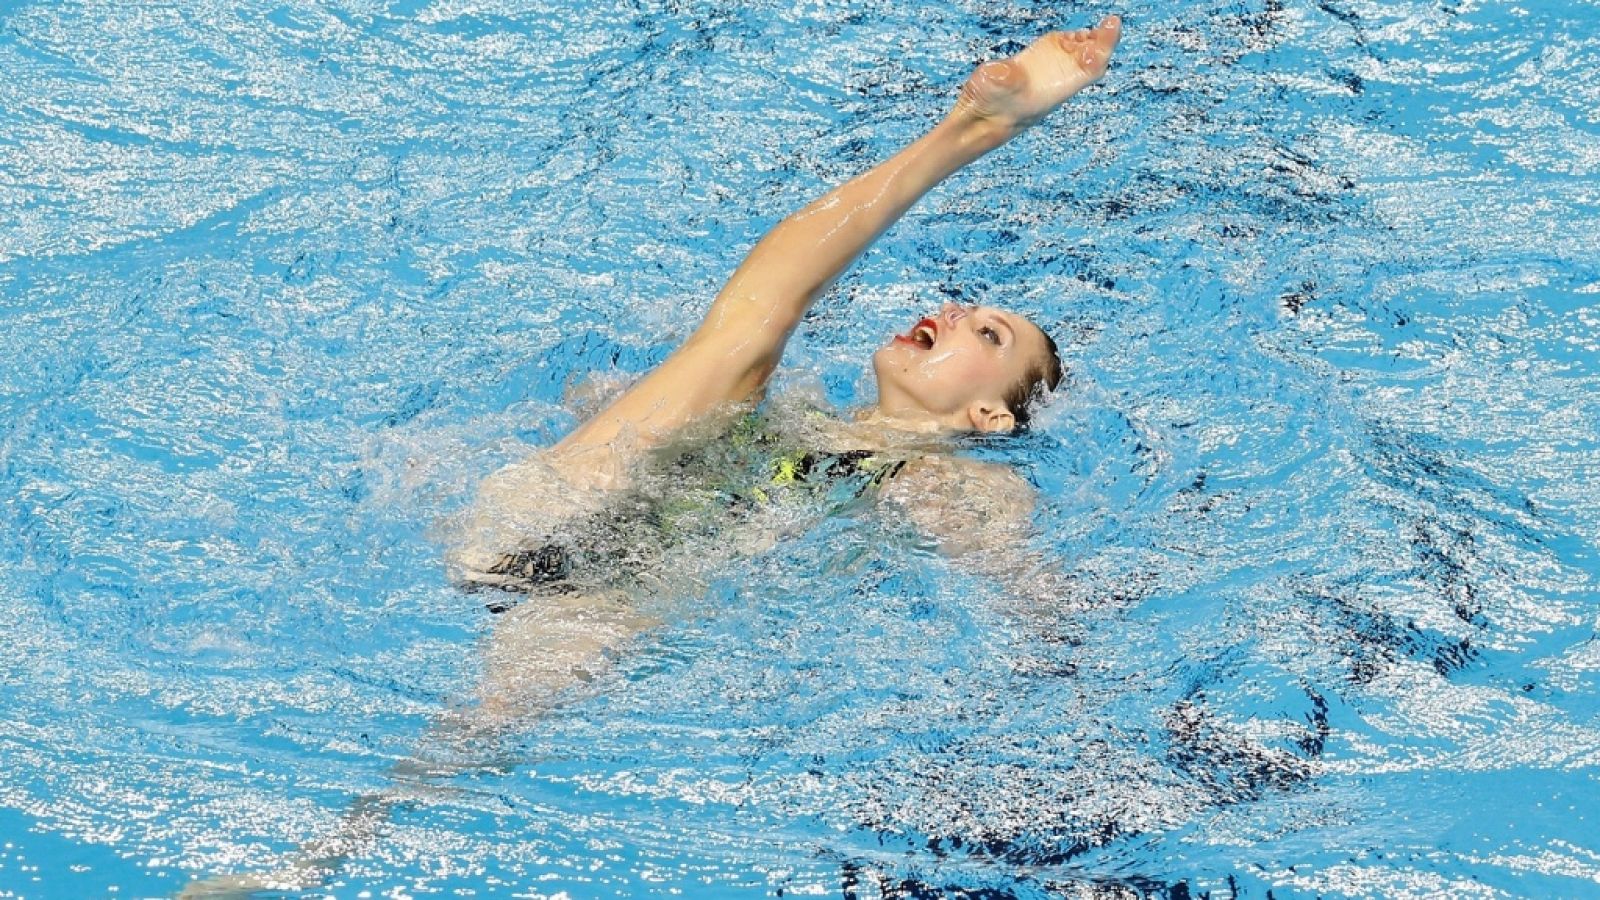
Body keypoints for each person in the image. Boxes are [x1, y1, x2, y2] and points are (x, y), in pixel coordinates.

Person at [180, 14, 1122, 896]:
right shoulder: (793, 409)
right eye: (970, 308)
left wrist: (1053, 652)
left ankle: (301, 871)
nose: (955, 311)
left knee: (465, 735)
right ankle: (964, 130)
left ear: (991, 416)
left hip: (603, 600)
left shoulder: (947, 477)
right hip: (537, 517)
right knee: (744, 335)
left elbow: (1027, 592)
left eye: (989, 335)